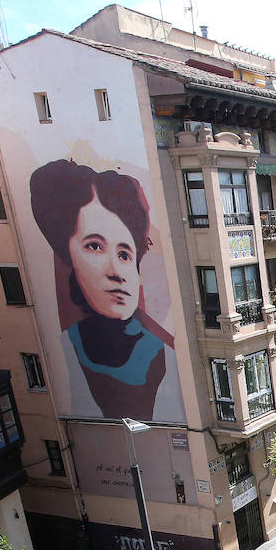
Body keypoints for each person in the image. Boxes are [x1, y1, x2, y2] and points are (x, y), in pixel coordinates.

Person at [30, 159, 181, 422]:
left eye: (124, 253)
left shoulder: (167, 354)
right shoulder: (65, 345)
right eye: (95, 247)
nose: (116, 271)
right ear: (68, 256)